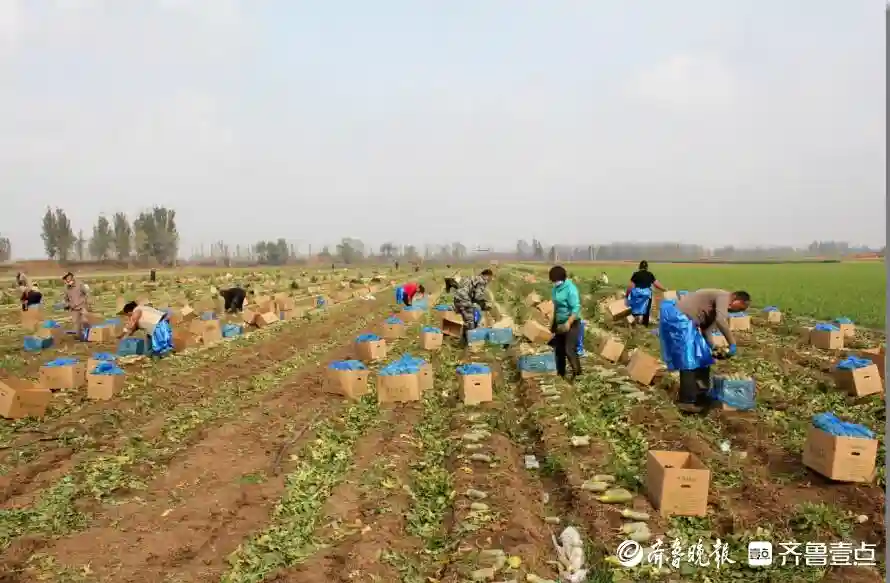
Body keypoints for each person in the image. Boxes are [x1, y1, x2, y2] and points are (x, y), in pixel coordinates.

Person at [659, 289, 751, 413]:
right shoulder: (724, 296)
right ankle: (687, 401)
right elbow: (721, 321)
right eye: (737, 308)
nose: (735, 312)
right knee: (689, 359)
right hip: (678, 317)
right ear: (735, 298)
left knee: (703, 357)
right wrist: (732, 343)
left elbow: (707, 331)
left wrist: (713, 348)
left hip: (689, 322)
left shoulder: (716, 309)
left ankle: (701, 394)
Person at [548, 265, 583, 382]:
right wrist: (553, 324)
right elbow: (556, 307)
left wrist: (568, 322)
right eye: (553, 281)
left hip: (572, 323)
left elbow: (576, 307)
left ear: (562, 279)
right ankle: (561, 374)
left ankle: (578, 374)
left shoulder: (570, 289)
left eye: (556, 280)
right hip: (560, 323)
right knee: (559, 350)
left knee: (569, 349)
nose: (555, 283)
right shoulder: (555, 289)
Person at [452, 269, 494, 345]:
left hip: (457, 298)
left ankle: (464, 339)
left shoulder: (474, 278)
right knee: (470, 320)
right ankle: (471, 343)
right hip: (463, 299)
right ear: (487, 276)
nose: (490, 280)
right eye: (490, 278)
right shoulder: (482, 281)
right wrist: (484, 304)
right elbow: (478, 296)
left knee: (467, 320)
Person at [626, 261, 666, 326]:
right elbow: (656, 284)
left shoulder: (635, 274)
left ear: (639, 267)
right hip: (646, 294)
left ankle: (634, 321)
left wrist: (627, 296)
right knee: (646, 309)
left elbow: (630, 286)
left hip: (637, 294)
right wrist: (664, 289)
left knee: (635, 308)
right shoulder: (650, 274)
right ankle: (645, 324)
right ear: (647, 267)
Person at [62, 272, 90, 340]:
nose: (67, 279)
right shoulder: (66, 288)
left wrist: (87, 302)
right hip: (74, 309)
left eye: (68, 277)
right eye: (66, 279)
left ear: (72, 277)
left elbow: (86, 293)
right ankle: (80, 337)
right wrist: (67, 304)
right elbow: (66, 299)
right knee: (76, 326)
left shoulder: (80, 284)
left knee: (85, 321)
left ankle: (89, 335)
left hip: (82, 306)